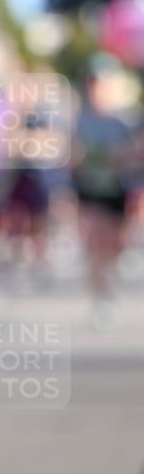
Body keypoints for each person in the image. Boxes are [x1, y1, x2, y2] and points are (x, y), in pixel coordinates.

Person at [72, 53, 135, 328]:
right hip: (88, 190)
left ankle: (110, 277)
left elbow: (136, 153)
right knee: (94, 243)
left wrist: (122, 154)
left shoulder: (124, 121)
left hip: (117, 189)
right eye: (93, 81)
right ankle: (102, 299)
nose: (97, 87)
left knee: (116, 244)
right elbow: (69, 154)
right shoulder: (80, 120)